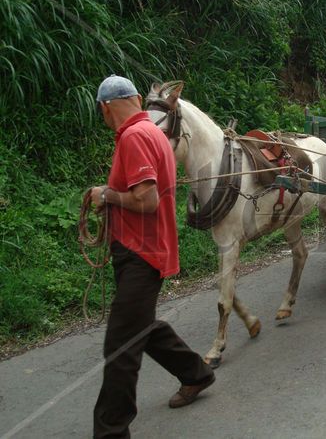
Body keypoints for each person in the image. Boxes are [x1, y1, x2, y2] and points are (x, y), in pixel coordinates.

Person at [91, 75, 215, 438]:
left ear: (106, 107)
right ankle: (196, 373)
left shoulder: (133, 137)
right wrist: (113, 197)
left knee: (121, 345)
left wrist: (106, 195)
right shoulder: (153, 133)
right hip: (144, 248)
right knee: (139, 326)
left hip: (140, 253)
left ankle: (111, 431)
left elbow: (146, 200)